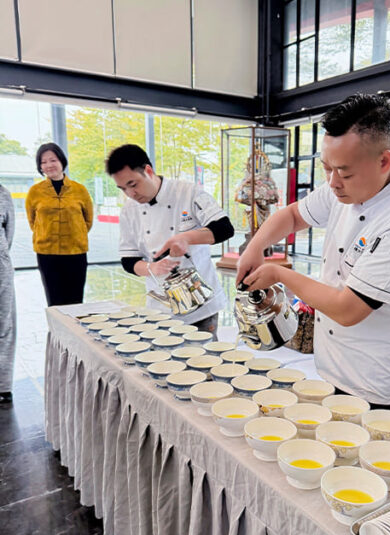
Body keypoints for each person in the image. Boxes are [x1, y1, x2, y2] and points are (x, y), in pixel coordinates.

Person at [236, 94, 390, 421]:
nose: (332, 183)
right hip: (333, 368)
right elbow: (293, 215)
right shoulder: (344, 187)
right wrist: (255, 247)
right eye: (327, 168)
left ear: (384, 161)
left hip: (380, 384)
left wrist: (279, 275)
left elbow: (348, 309)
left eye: (343, 173)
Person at [107, 144, 234, 333]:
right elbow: (128, 260)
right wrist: (151, 268)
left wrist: (186, 238)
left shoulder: (188, 192)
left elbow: (224, 228)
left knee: (204, 351)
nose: (130, 194)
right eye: (123, 188)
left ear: (148, 171)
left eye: (133, 185)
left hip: (200, 301)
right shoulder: (129, 211)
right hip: (160, 306)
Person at [25, 143, 93, 306]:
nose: (48, 165)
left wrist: (75, 234)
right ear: (40, 167)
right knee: (54, 300)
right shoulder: (35, 191)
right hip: (47, 253)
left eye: (53, 160)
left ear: (62, 161)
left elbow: (88, 220)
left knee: (76, 300)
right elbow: (33, 221)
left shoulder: (80, 190)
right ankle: (56, 325)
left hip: (75, 252)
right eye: (43, 162)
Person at [0, 183, 14, 404]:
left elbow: (9, 233)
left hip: (1, 267)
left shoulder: (3, 193)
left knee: (4, 323)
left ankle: (3, 384)